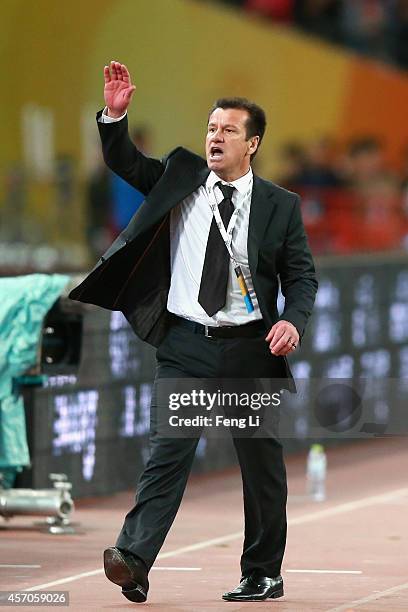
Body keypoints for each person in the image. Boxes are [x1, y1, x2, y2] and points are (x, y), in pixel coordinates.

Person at [69, 61, 318, 603]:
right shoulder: (178, 176)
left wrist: (291, 322)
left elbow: (302, 277)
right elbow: (123, 161)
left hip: (251, 349)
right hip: (185, 346)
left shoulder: (281, 205)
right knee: (169, 451)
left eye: (229, 130)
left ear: (252, 144)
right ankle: (133, 559)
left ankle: (263, 572)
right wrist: (115, 117)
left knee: (261, 466)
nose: (215, 137)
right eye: (210, 128)